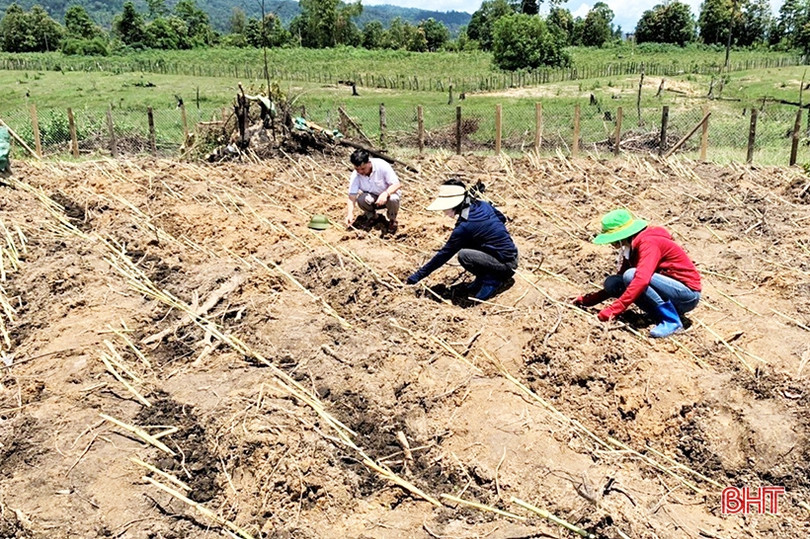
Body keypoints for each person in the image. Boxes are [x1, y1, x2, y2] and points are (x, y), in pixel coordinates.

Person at [573, 209, 701, 338]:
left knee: (631, 276)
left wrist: (614, 310)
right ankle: (655, 314)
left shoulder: (648, 243)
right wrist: (587, 301)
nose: (611, 243)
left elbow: (641, 279)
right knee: (614, 282)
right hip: (669, 293)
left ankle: (671, 320)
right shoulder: (631, 248)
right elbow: (622, 277)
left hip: (686, 295)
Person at [406, 180, 518, 302]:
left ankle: (492, 280)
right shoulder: (482, 205)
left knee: (464, 255)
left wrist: (417, 277)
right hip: (513, 255)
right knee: (470, 243)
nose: (443, 212)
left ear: (455, 205)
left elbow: (444, 255)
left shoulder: (465, 226)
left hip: (506, 265)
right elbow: (501, 218)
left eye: (445, 207)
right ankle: (483, 276)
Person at [345, 149, 402, 234]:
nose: (360, 172)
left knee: (393, 199)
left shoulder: (382, 165)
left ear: (369, 163)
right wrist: (350, 213)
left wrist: (385, 194)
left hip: (388, 196)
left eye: (363, 169)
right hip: (372, 198)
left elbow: (397, 184)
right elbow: (352, 196)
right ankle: (372, 217)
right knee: (361, 199)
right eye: (357, 169)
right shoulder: (355, 175)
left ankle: (392, 220)